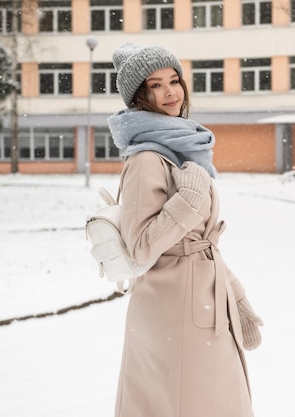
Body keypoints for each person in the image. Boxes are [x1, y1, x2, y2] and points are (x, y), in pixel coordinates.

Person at [107, 42, 263, 417]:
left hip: (203, 305)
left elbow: (201, 244)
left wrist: (236, 297)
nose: (170, 92)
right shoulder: (146, 159)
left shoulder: (185, 149)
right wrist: (190, 199)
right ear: (139, 97)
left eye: (173, 80)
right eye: (155, 85)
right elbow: (141, 247)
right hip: (173, 313)